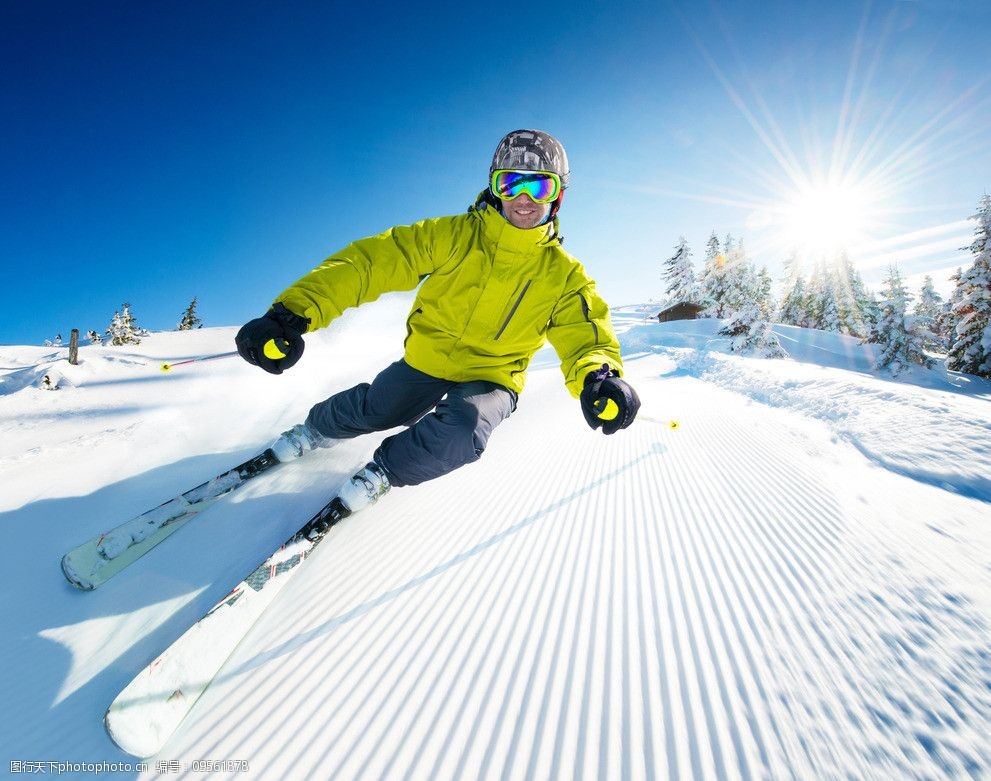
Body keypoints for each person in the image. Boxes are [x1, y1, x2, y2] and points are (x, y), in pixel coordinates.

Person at [235, 129, 640, 516]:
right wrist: (292, 313)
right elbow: (370, 264)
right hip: (427, 360)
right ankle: (314, 432)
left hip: (494, 375)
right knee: (379, 408)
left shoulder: (566, 277)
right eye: (511, 182)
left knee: (465, 428)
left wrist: (598, 378)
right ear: (494, 187)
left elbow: (586, 336)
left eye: (540, 186)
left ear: (559, 197)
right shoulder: (452, 236)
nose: (523, 198)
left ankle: (384, 473)